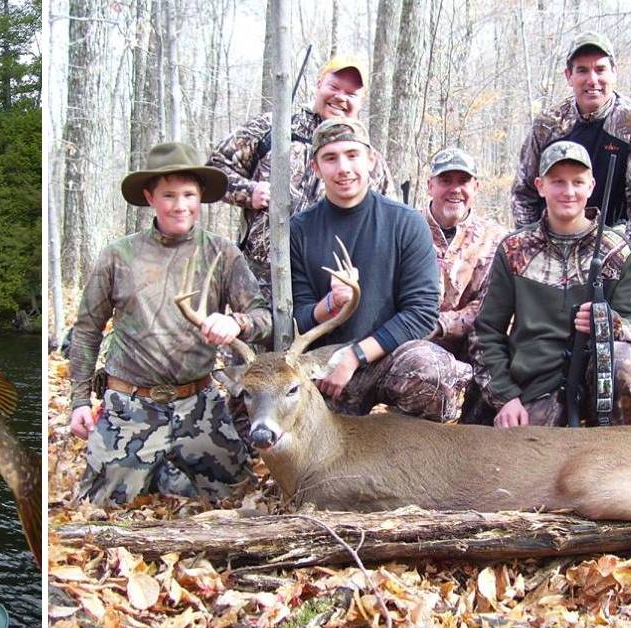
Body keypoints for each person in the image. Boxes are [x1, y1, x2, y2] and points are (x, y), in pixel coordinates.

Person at [67, 142, 272, 506]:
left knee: (240, 497)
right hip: (129, 404)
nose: (181, 205)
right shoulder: (118, 256)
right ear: (150, 197)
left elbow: (263, 317)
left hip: (198, 402)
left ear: (201, 197)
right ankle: (156, 468)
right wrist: (80, 402)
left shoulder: (222, 254)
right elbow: (86, 330)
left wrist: (236, 323)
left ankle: (167, 470)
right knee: (99, 508)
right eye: (169, 195)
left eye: (189, 195)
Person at [290, 119, 469, 422]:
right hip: (325, 364)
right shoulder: (299, 230)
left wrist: (355, 356)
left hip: (386, 355)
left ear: (371, 160)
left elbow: (422, 313)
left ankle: (408, 457)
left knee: (432, 373)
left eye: (352, 155)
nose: (343, 168)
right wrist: (328, 306)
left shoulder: (406, 223)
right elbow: (296, 317)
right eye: (330, 158)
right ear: (316, 168)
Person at [473, 141, 631, 427]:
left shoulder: (616, 250)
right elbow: (485, 334)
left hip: (600, 384)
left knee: (622, 363)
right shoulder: (514, 250)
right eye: (558, 182)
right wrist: (505, 397)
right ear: (540, 186)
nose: (568, 192)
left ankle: (622, 441)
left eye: (577, 182)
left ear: (591, 186)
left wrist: (610, 324)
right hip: (535, 387)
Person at [207, 57, 393, 297]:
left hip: (331, 293)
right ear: (318, 84)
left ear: (361, 101)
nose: (340, 97)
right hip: (261, 286)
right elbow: (212, 173)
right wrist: (249, 192)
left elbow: (389, 226)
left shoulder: (368, 159)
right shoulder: (272, 128)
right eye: (334, 87)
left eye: (351, 94)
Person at [511, 31, 631, 253]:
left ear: (614, 72)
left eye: (600, 69)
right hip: (552, 242)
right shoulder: (548, 125)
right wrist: (533, 248)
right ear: (568, 76)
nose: (592, 80)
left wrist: (623, 263)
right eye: (582, 70)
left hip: (614, 244)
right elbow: (524, 194)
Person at [419, 147, 507, 361]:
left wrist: (441, 325)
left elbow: (490, 306)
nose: (455, 189)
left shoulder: (496, 239)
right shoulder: (406, 227)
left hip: (468, 349)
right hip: (409, 340)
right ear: (430, 186)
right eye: (445, 180)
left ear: (476, 187)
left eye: (463, 181)